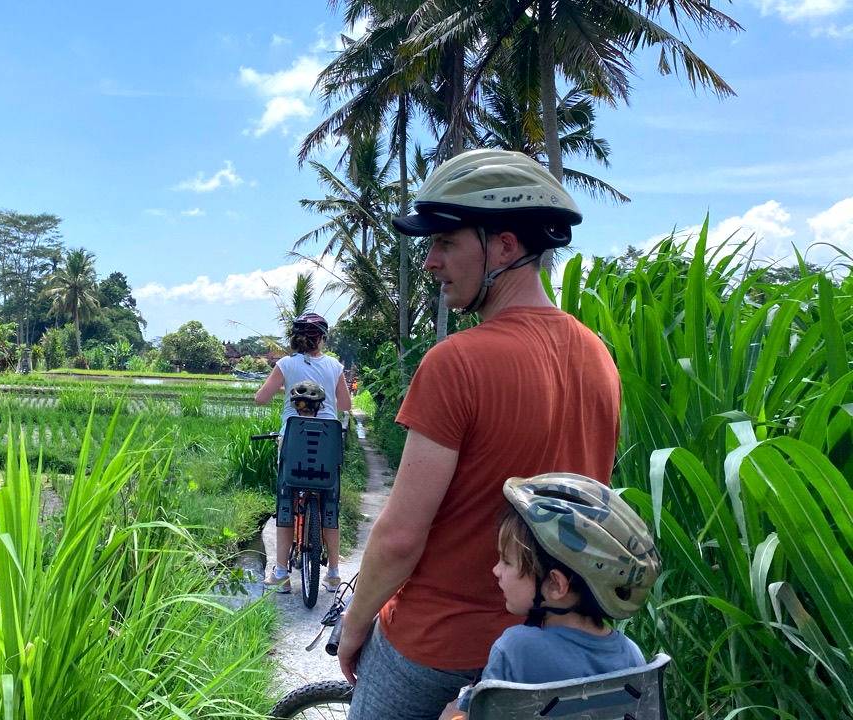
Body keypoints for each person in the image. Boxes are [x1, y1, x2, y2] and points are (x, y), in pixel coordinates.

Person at [337, 148, 622, 720]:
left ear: (506, 246)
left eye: (446, 243)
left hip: (437, 645)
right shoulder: (599, 359)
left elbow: (399, 537)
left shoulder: (457, 361)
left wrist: (355, 623)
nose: (430, 262)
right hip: (549, 656)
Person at [441, 473, 660, 719]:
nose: (496, 570)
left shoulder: (514, 650)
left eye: (506, 561)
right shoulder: (631, 656)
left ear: (556, 585)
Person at [255, 312, 353, 594]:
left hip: (293, 442)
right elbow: (345, 405)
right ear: (322, 337)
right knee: (330, 506)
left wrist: (287, 387)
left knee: (286, 504)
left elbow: (260, 399)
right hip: (328, 444)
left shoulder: (285, 364)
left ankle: (282, 574)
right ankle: (333, 573)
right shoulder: (335, 365)